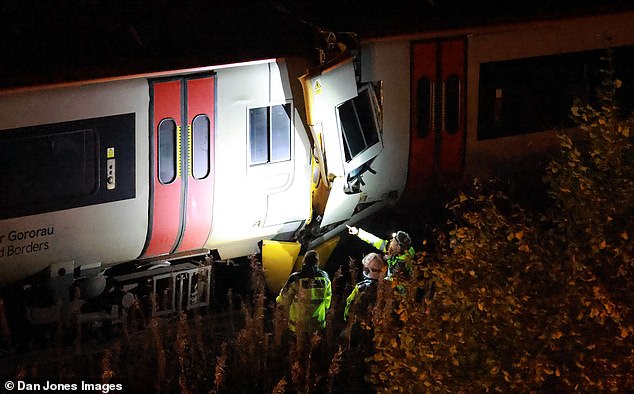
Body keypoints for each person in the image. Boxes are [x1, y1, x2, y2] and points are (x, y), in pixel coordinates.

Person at [276, 250, 332, 334]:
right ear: (317, 262)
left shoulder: (295, 277)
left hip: (297, 324)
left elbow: (284, 297)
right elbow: (328, 298)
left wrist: (280, 306)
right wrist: (325, 311)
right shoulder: (325, 277)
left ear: (304, 261)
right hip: (317, 323)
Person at [346, 225, 415, 279]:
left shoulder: (404, 260)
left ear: (400, 247)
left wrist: (387, 259)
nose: (391, 241)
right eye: (393, 239)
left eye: (394, 241)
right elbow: (374, 240)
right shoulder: (390, 248)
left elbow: (393, 275)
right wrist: (358, 232)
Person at [343, 252, 385, 323]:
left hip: (360, 326)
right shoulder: (387, 287)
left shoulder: (361, 287)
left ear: (367, 269)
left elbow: (349, 310)